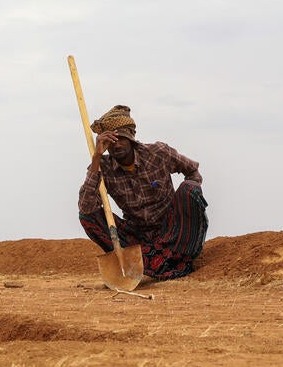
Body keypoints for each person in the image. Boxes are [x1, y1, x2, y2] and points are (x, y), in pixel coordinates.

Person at [77, 104, 208, 280]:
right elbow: (86, 207)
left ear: (131, 137)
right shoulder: (103, 167)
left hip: (171, 229)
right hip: (138, 237)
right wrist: (96, 160)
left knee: (189, 189)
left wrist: (186, 208)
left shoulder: (158, 153)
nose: (117, 145)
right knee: (88, 217)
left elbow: (193, 171)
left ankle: (182, 252)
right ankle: (142, 262)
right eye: (111, 141)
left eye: (121, 138)